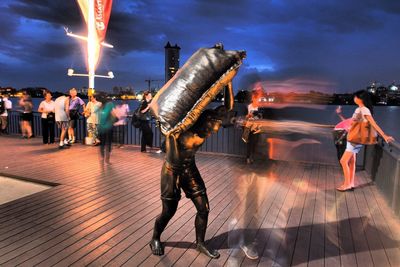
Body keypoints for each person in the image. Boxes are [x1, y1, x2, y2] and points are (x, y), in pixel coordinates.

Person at [150, 86, 234, 259]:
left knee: (204, 208)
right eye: (215, 125)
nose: (216, 130)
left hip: (189, 168)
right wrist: (170, 133)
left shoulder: (207, 127)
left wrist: (229, 83)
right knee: (168, 211)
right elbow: (172, 156)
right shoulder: (183, 129)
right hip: (171, 171)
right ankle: (155, 238)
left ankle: (200, 243)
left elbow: (228, 108)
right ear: (207, 120)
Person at [337, 90, 394, 192]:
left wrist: (384, 136)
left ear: (361, 99)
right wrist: (339, 114)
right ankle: (351, 183)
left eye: (356, 97)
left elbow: (373, 124)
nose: (354, 98)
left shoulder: (364, 109)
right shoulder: (359, 109)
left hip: (354, 139)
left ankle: (346, 184)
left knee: (343, 161)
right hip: (354, 138)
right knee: (351, 162)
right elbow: (351, 123)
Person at [244, 91, 262, 164]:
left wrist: (256, 116)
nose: (252, 98)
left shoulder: (259, 107)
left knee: (255, 143)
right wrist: (248, 116)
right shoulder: (249, 106)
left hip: (256, 127)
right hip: (249, 126)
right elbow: (245, 116)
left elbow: (261, 117)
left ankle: (251, 157)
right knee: (249, 143)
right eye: (252, 97)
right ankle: (248, 157)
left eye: (254, 97)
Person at [98, 99, 116, 165]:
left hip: (101, 128)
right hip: (108, 128)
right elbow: (114, 116)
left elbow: (99, 118)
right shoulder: (110, 106)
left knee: (102, 144)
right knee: (108, 144)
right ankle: (107, 160)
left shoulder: (100, 108)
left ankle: (102, 157)